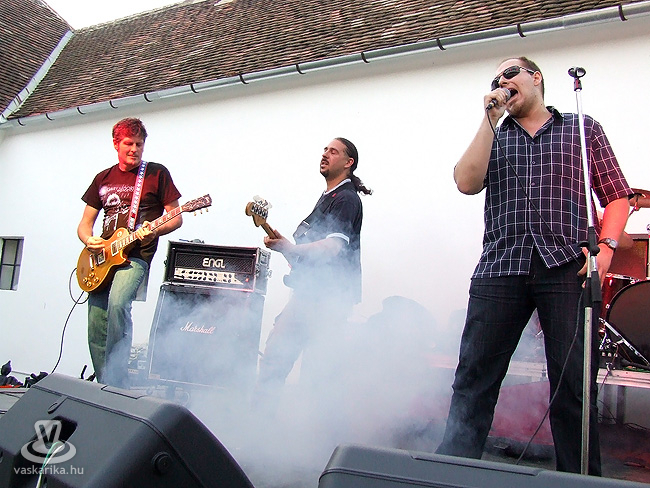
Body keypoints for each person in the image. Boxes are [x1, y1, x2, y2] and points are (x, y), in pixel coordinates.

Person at [435, 57, 632, 475]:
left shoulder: (582, 127)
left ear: (535, 78)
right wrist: (488, 119)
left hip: (566, 265)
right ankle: (451, 473)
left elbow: (616, 194)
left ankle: (580, 480)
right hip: (501, 265)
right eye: (495, 79)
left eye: (510, 74)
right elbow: (466, 182)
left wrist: (607, 247)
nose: (501, 82)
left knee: (573, 384)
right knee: (474, 378)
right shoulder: (494, 134)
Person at [253, 137, 372, 413]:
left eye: (334, 151)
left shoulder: (345, 198)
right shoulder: (329, 197)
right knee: (281, 361)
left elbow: (333, 247)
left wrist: (290, 248)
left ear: (349, 162)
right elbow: (310, 255)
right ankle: (265, 423)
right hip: (311, 294)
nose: (325, 154)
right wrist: (287, 249)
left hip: (326, 300)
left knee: (296, 367)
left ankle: (275, 424)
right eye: (324, 150)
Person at [77, 117, 182, 388]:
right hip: (102, 258)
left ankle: (118, 380)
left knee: (118, 304)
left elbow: (176, 217)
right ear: (116, 144)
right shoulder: (103, 178)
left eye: (139, 144)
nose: (134, 149)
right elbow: (84, 224)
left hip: (136, 256)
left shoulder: (156, 174)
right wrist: (89, 240)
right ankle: (104, 384)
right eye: (129, 144)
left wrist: (155, 231)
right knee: (96, 319)